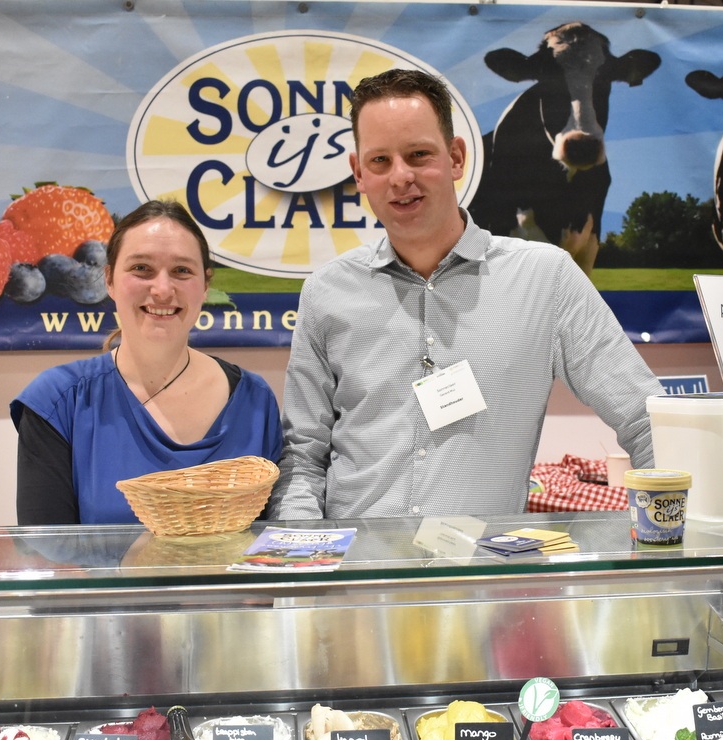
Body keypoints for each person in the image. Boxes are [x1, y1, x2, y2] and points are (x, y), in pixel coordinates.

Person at [270, 69, 662, 520]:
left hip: (480, 564)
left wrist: (674, 532)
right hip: (355, 560)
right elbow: (302, 458)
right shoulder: (327, 291)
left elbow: (646, 420)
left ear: (456, 158)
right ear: (359, 173)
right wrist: (308, 557)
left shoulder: (546, 278)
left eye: (418, 154)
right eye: (380, 161)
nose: (400, 177)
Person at [11, 200, 282, 524]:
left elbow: (271, 542)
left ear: (205, 285)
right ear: (109, 279)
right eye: (141, 268)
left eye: (182, 271)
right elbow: (46, 550)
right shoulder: (57, 402)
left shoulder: (255, 402)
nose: (163, 289)